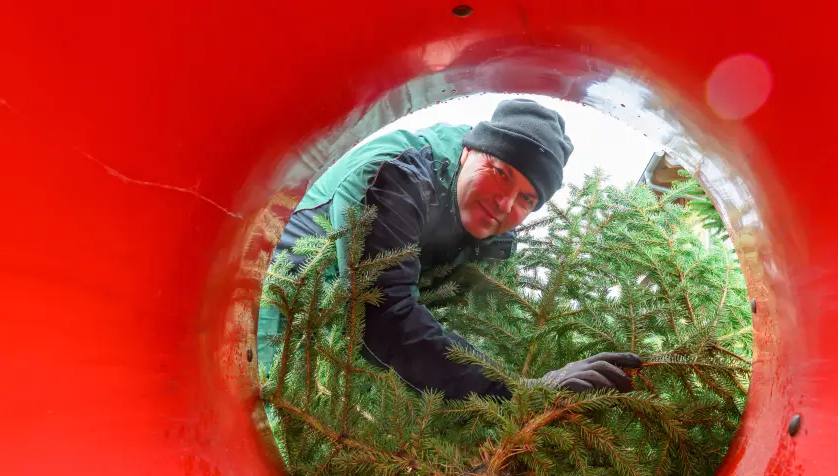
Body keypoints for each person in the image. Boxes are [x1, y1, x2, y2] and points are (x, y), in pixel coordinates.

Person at [259, 98, 641, 399]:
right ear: (467, 152)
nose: (505, 204)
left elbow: (475, 327)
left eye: (527, 198)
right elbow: (382, 316)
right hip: (282, 299)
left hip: (344, 340)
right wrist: (520, 391)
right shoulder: (399, 174)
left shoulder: (491, 239)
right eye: (500, 172)